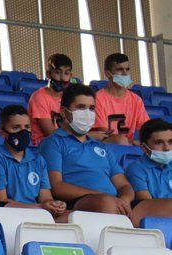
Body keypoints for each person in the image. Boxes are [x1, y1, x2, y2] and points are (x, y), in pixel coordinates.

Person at [38, 84, 136, 218]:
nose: (87, 113)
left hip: (113, 202)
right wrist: (103, 196)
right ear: (63, 112)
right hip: (80, 203)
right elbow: (56, 186)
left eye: (91, 108)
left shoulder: (102, 147)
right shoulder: (53, 142)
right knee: (107, 204)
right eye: (80, 107)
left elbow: (124, 185)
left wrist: (125, 200)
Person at [0, 105, 67, 220]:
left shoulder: (38, 160)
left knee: (72, 217)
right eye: (16, 128)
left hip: (36, 214)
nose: (23, 132)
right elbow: (0, 202)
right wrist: (39, 207)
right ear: (2, 132)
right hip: (6, 217)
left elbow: (45, 197)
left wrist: (53, 205)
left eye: (27, 127)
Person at [92, 53, 149, 145]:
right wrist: (128, 142)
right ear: (108, 73)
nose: (125, 73)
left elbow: (147, 129)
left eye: (127, 69)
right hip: (105, 146)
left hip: (128, 147)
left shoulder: (136, 100)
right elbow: (104, 134)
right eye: (120, 69)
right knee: (121, 141)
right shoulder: (97, 99)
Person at [124, 118, 172, 227]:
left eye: (170, 142)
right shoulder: (136, 169)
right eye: (159, 142)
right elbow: (147, 204)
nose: (167, 148)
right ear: (144, 148)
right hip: (156, 221)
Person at [29, 53, 74, 145]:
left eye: (66, 73)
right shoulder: (39, 97)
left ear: (71, 75)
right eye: (57, 72)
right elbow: (49, 133)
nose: (62, 78)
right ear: (48, 74)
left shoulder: (72, 97)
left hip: (68, 145)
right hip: (45, 147)